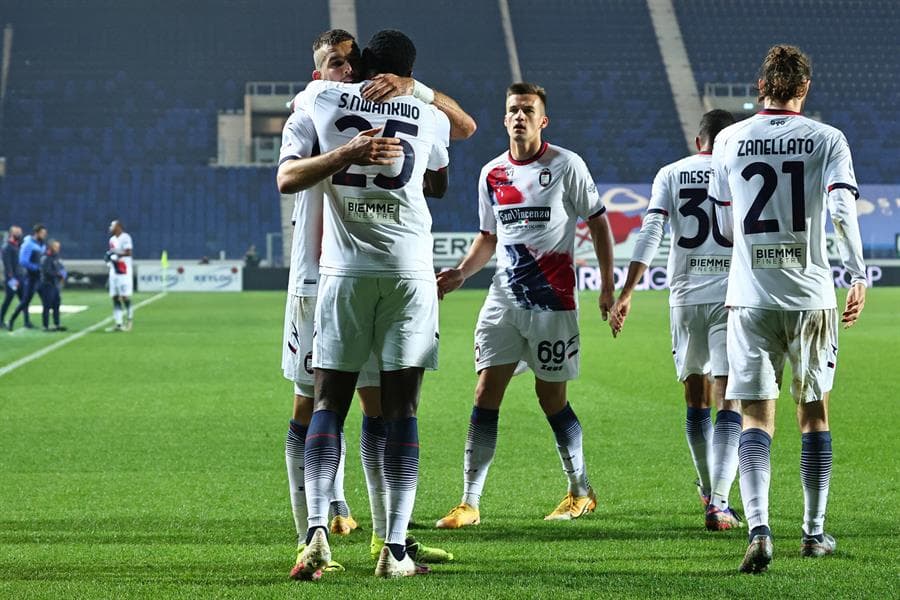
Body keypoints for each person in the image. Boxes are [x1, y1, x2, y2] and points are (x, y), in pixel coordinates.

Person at [278, 28, 464, 578]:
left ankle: (389, 536)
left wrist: (407, 96)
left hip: (346, 275)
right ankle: (312, 534)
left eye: (351, 63)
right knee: (312, 404)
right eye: (334, 63)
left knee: (368, 407)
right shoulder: (309, 107)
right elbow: (461, 136)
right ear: (319, 70)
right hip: (319, 281)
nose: (346, 71)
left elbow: (435, 177)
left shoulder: (319, 102)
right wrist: (357, 148)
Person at [707, 45, 867, 573]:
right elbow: (842, 209)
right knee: (813, 412)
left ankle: (758, 529)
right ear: (805, 89)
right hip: (811, 294)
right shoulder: (828, 139)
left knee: (755, 415)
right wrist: (857, 273)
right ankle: (814, 533)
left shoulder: (729, 138)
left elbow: (726, 224)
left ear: (761, 87)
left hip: (749, 295)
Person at [434, 82, 615, 530]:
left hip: (553, 302)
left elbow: (598, 222)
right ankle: (469, 502)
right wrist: (460, 272)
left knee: (551, 399)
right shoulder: (492, 173)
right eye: (513, 109)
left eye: (527, 110)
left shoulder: (566, 165)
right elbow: (488, 238)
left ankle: (580, 491)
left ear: (542, 120)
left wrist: (608, 286)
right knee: (484, 393)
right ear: (504, 117)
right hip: (503, 300)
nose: (519, 116)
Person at [609, 110, 744, 531]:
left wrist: (628, 290)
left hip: (684, 299)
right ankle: (719, 501)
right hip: (730, 297)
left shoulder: (671, 173)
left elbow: (649, 231)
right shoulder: (738, 169)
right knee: (730, 400)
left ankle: (709, 492)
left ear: (698, 138)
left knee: (695, 399)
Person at [8, 223, 47, 331]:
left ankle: (46, 325)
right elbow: (23, 261)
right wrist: (35, 267)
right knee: (25, 301)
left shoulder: (41, 244)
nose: (44, 235)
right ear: (37, 233)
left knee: (46, 300)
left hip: (40, 277)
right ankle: (11, 320)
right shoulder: (28, 244)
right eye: (43, 233)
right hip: (31, 277)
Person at [105, 220, 133, 332]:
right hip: (114, 271)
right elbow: (111, 254)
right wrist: (109, 258)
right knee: (115, 297)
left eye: (112, 225)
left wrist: (115, 254)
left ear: (118, 227)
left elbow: (129, 252)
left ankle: (130, 321)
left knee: (125, 297)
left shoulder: (126, 237)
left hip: (124, 271)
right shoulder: (111, 240)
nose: (110, 227)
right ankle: (118, 323)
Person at [38, 239, 67, 332]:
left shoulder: (56, 257)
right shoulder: (46, 258)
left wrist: (63, 274)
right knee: (47, 305)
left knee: (56, 305)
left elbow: (61, 268)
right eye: (56, 247)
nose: (58, 249)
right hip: (47, 285)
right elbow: (46, 272)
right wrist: (58, 274)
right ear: (51, 247)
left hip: (55, 285)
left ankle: (56, 324)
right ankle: (45, 326)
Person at [1, 225, 24, 329]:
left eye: (19, 232)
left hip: (19, 277)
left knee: (24, 300)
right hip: (13, 279)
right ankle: (1, 320)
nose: (19, 235)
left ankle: (26, 321)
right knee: (9, 299)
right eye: (17, 233)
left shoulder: (16, 246)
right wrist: (13, 279)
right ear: (12, 233)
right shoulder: (7, 247)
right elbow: (8, 265)